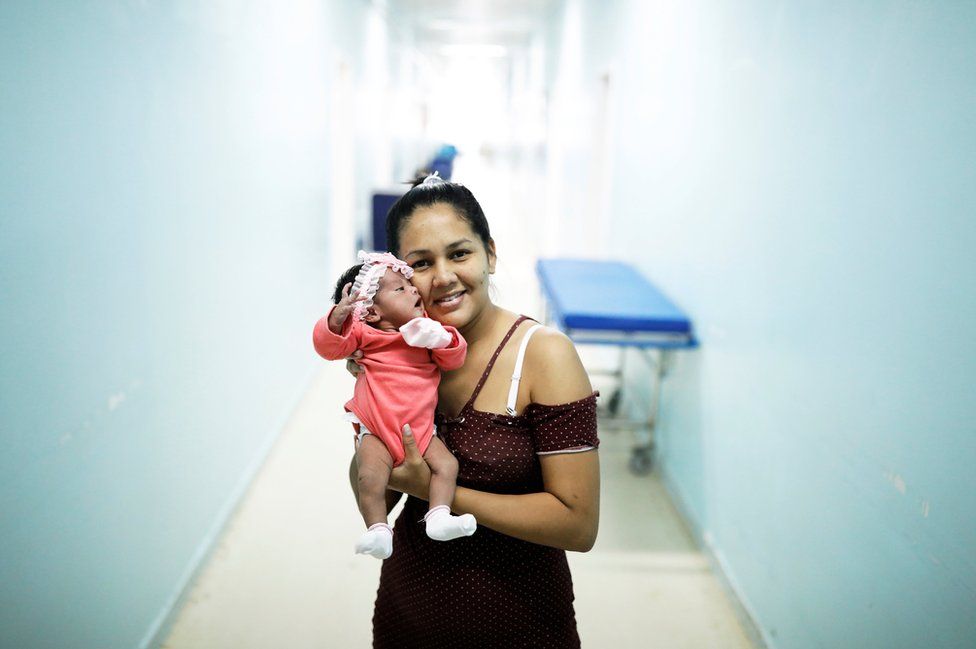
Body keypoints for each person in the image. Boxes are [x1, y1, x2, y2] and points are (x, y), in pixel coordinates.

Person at [347, 173, 601, 648]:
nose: (443, 276)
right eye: (420, 263)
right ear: (399, 277)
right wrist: (372, 399)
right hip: (408, 613)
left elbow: (578, 524)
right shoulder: (401, 358)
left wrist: (441, 494)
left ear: (491, 254)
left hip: (521, 622)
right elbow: (377, 488)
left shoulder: (544, 356)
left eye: (459, 253)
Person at [314, 251, 477, 560]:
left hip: (420, 432)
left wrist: (442, 339)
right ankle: (377, 529)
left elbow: (454, 357)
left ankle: (439, 517)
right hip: (376, 430)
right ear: (373, 313)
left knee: (447, 466)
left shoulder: (424, 331)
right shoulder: (364, 335)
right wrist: (337, 319)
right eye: (401, 289)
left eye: (410, 285)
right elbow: (328, 347)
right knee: (369, 476)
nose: (415, 290)